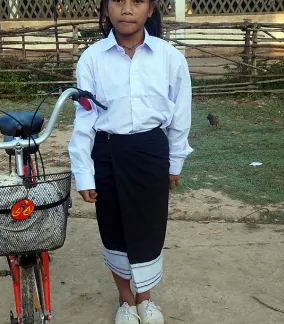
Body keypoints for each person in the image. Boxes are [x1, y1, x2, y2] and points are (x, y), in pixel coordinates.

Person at [68, 0, 193, 323]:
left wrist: (175, 161)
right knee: (114, 227)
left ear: (150, 10)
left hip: (151, 151)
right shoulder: (92, 59)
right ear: (106, 9)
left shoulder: (169, 57)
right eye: (118, 2)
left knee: (149, 228)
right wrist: (85, 173)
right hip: (107, 152)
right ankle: (125, 301)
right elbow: (84, 120)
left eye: (136, 2)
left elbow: (181, 113)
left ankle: (145, 299)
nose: (127, 9)